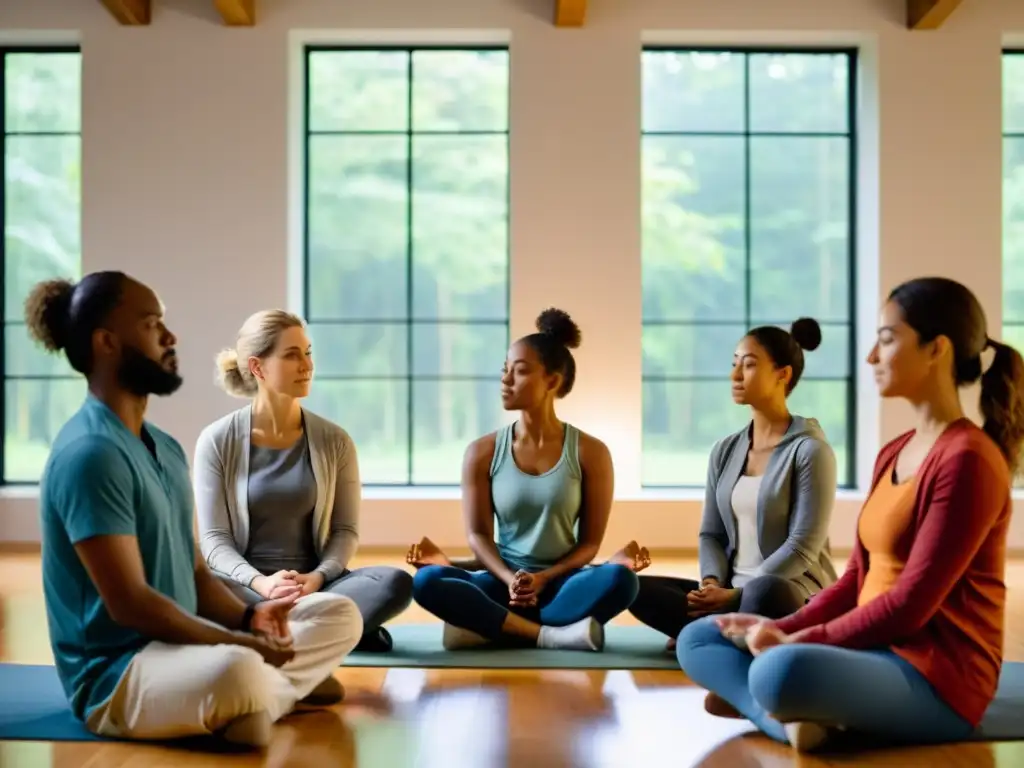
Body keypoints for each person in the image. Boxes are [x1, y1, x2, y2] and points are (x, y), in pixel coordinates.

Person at [677, 277, 1023, 753]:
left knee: (781, 669)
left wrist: (793, 640)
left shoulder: (969, 460)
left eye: (886, 339)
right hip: (873, 651)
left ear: (936, 349)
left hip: (938, 676)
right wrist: (781, 628)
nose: (871, 358)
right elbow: (855, 579)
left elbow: (908, 607)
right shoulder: (893, 452)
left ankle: (765, 699)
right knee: (697, 638)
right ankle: (788, 720)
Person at [28, 273, 363, 749]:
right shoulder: (89, 453)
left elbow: (195, 571)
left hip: (185, 650)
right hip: (119, 675)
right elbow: (130, 604)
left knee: (340, 614)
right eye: (151, 324)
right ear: (106, 343)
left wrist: (252, 620)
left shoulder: (163, 448)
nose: (171, 336)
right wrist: (240, 645)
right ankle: (266, 695)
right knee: (240, 669)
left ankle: (253, 704)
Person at [410, 308, 640, 651]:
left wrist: (544, 578)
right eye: (505, 370)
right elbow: (478, 535)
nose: (505, 380)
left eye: (519, 372)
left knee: (621, 580)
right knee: (428, 581)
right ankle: (551, 634)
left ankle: (487, 625)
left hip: (563, 582)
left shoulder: (592, 452)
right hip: (502, 582)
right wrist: (511, 580)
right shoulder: (482, 451)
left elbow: (589, 544)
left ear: (552, 380)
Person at [193, 310, 413, 654]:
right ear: (257, 367)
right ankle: (328, 632)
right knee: (191, 587)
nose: (306, 365)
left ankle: (272, 631)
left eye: (307, 353)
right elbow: (214, 540)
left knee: (394, 582)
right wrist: (262, 584)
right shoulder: (217, 440)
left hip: (319, 588)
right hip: (246, 587)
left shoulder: (335, 441)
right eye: (291, 355)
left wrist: (317, 578)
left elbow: (344, 531)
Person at [628, 319, 838, 652]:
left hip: (788, 595)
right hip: (728, 593)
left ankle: (712, 632)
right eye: (734, 364)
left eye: (749, 364)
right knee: (633, 587)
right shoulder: (725, 450)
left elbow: (802, 547)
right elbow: (711, 533)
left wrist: (739, 594)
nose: (735, 375)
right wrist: (711, 584)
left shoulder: (811, 450)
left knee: (765, 591)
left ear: (782, 374)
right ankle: (726, 630)